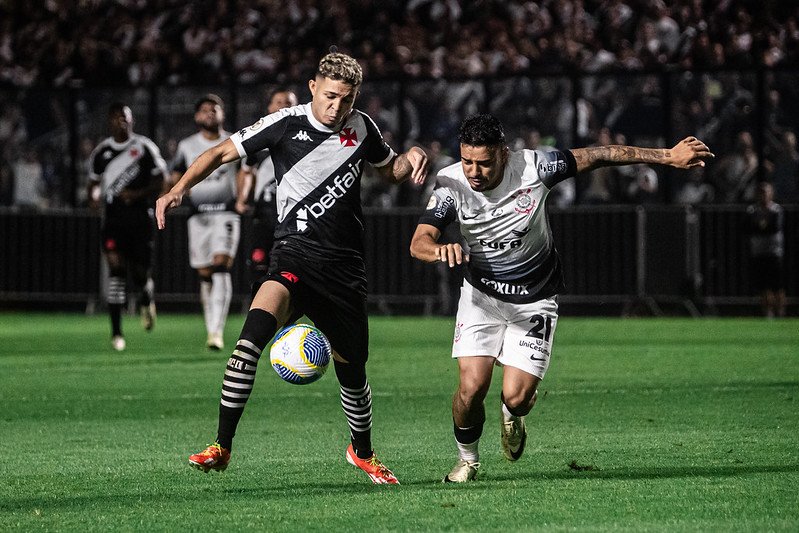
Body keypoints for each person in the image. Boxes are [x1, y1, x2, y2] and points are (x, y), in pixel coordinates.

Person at [156, 52, 428, 484]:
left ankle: (362, 453)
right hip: (293, 257)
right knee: (248, 342)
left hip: (344, 270)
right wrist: (177, 190)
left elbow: (391, 171)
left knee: (352, 371)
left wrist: (410, 155)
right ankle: (222, 446)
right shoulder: (285, 123)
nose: (337, 107)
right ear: (314, 88)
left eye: (348, 99)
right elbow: (220, 152)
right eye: (331, 96)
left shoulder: (362, 128)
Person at [409, 114, 713, 482]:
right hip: (482, 297)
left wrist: (667, 156)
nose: (474, 171)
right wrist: (439, 249)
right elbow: (419, 241)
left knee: (517, 398)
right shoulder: (450, 183)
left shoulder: (535, 167)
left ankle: (513, 415)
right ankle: (467, 461)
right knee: (471, 389)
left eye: (484, 162)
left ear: (504, 154)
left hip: (535, 298)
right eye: (468, 160)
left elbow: (601, 154)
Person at [88, 103, 168, 351]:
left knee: (140, 274)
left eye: (125, 116)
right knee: (116, 270)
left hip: (140, 218)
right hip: (113, 219)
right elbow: (93, 182)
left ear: (132, 120)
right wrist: (92, 197)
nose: (120, 121)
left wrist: (136, 194)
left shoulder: (144, 147)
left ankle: (146, 297)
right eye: (116, 117)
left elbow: (161, 179)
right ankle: (116, 333)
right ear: (109, 121)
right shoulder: (101, 152)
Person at [170, 94, 241, 351]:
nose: (209, 113)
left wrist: (242, 198)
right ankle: (210, 326)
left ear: (223, 113)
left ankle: (216, 331)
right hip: (198, 215)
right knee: (204, 273)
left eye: (215, 108)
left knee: (221, 265)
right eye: (204, 109)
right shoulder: (187, 146)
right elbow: (176, 176)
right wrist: (171, 194)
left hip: (227, 213)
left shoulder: (235, 140)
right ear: (196, 116)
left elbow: (244, 170)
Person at [235, 88, 298, 284]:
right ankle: (260, 309)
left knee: (292, 264)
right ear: (269, 107)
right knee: (259, 261)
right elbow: (247, 170)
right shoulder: (258, 137)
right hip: (265, 209)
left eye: (288, 102)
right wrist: (242, 199)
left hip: (295, 211)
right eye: (278, 102)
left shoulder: (304, 138)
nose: (283, 106)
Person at [746, 181, 786, 318]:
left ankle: (780, 310)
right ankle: (767, 311)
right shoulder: (753, 210)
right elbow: (749, 228)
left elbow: (773, 227)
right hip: (758, 251)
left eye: (766, 192)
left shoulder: (776, 210)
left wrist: (761, 226)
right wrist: (761, 226)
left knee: (777, 284)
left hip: (773, 251)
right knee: (763, 285)